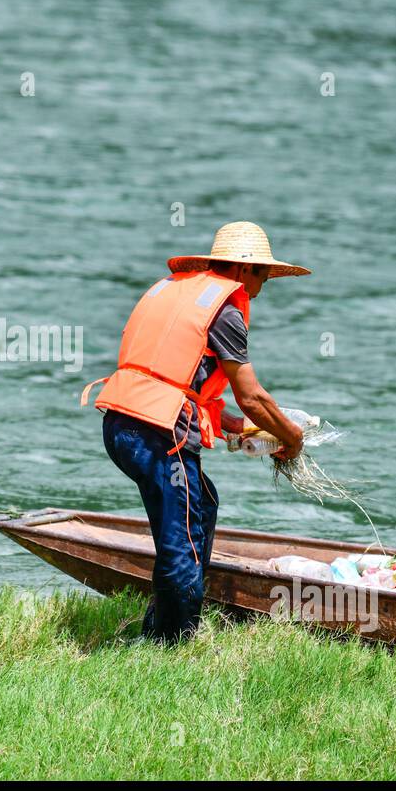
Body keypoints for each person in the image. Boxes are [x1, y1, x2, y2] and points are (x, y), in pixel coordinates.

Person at [83, 222, 311, 643]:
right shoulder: (225, 310)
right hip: (160, 435)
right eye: (264, 273)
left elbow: (181, 386)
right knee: (181, 538)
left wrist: (251, 433)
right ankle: (174, 644)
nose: (264, 284)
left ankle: (160, 625)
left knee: (200, 505)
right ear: (244, 270)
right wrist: (292, 439)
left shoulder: (179, 292)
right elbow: (252, 398)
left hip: (121, 424)